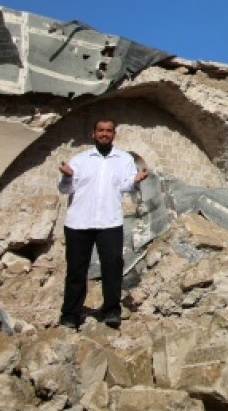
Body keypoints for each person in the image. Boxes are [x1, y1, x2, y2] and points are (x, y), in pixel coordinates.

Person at [58, 117, 149, 329]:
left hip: (109, 222)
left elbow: (126, 184)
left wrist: (135, 181)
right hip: (79, 222)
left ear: (114, 134)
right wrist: (67, 177)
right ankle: (71, 314)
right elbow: (65, 189)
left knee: (112, 267)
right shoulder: (80, 159)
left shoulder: (124, 159)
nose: (104, 134)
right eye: (101, 130)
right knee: (76, 270)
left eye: (109, 131)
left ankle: (111, 311)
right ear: (93, 133)